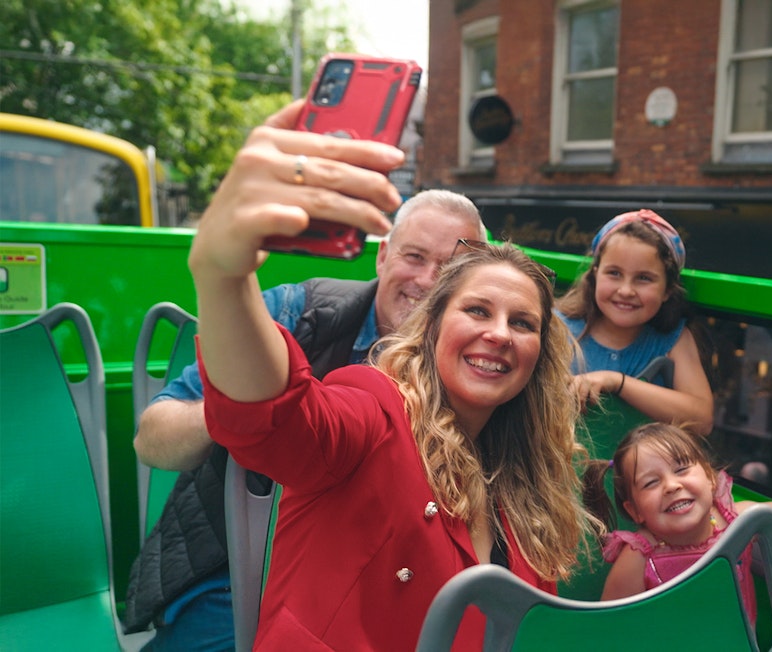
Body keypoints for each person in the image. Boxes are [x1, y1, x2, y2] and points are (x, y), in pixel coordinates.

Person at [123, 100, 487, 650]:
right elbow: (154, 439)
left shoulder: (483, 362)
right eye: (413, 257)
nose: (429, 281)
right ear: (381, 257)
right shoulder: (298, 313)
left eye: (453, 269)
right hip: (234, 572)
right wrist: (260, 412)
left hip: (380, 586)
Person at [191, 200, 593, 652]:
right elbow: (273, 417)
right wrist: (224, 276)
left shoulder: (529, 482)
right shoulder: (374, 408)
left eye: (522, 322)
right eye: (478, 311)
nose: (500, 334)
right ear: (433, 327)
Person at [584, 422, 772, 615]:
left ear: (710, 478)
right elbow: (610, 627)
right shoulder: (638, 557)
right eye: (651, 483)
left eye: (682, 469)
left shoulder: (735, 523)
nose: (671, 485)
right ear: (635, 512)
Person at [555, 209, 714, 433]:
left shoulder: (673, 339)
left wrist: (617, 382)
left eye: (643, 278)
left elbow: (702, 419)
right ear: (595, 275)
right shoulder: (557, 326)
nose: (626, 290)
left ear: (667, 289)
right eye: (614, 273)